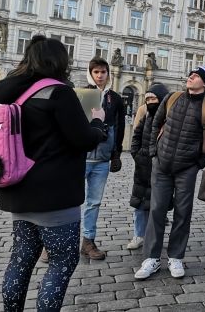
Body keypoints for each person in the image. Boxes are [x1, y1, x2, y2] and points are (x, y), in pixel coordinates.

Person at [0, 35, 106, 312]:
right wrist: (98, 123)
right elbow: (82, 139)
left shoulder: (3, 91)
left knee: (20, 259)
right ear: (58, 61)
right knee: (62, 260)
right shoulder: (57, 91)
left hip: (16, 185)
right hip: (54, 194)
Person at [134, 65, 205, 280]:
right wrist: (154, 152)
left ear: (204, 83)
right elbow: (156, 122)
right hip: (161, 165)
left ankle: (175, 257)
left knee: (183, 213)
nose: (190, 76)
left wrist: (198, 163)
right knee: (157, 210)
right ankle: (151, 258)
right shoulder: (172, 98)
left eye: (196, 75)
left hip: (186, 169)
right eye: (190, 73)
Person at [81, 56, 126, 260]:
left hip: (102, 161)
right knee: (69, 201)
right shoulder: (81, 93)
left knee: (94, 202)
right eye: (96, 72)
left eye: (103, 72)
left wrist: (116, 152)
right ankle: (54, 241)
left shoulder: (115, 98)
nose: (100, 76)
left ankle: (88, 241)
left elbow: (119, 126)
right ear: (90, 73)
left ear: (108, 73)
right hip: (81, 157)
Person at [128, 83, 169, 250]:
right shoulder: (146, 116)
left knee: (157, 206)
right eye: (148, 99)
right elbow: (136, 135)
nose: (151, 102)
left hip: (160, 169)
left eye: (154, 98)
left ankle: (154, 237)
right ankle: (139, 235)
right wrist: (136, 155)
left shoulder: (169, 118)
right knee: (139, 204)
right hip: (142, 167)